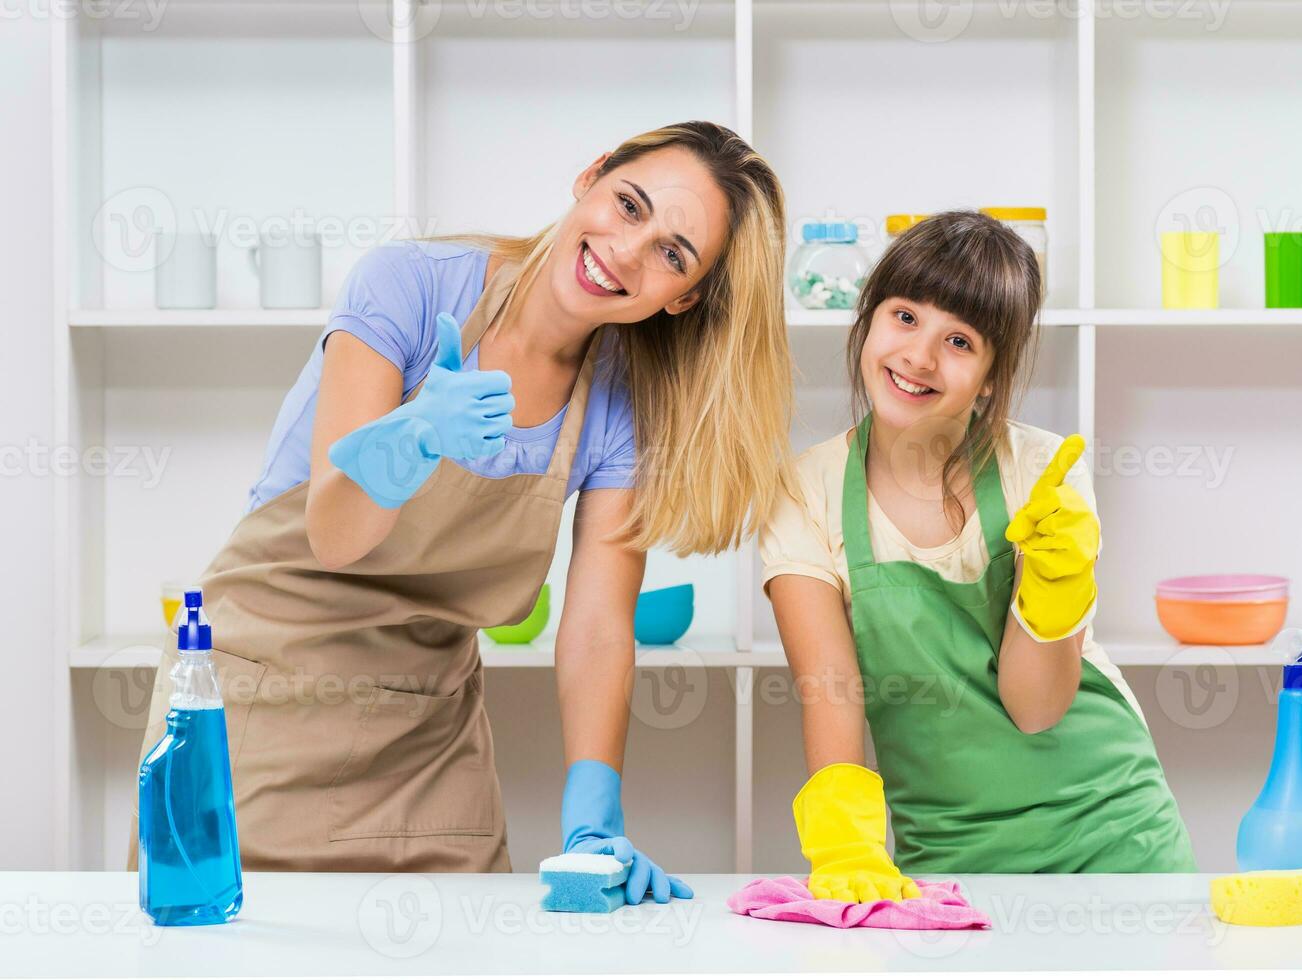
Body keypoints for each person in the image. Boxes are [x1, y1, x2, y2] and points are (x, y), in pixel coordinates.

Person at [130, 122, 793, 905]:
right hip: (255, 707)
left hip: (424, 741)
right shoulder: (411, 285)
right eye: (628, 204)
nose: (625, 250)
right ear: (591, 175)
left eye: (672, 254)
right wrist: (410, 440)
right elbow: (334, 535)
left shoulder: (624, 404)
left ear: (682, 298)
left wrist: (594, 804)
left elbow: (597, 628)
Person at [760, 210, 1195, 900]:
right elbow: (832, 692)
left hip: (1115, 833)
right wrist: (846, 845)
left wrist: (1059, 582)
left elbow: (1036, 707)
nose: (920, 357)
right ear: (866, 320)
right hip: (950, 850)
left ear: (993, 375)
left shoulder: (1043, 472)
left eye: (959, 340)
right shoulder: (801, 489)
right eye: (904, 318)